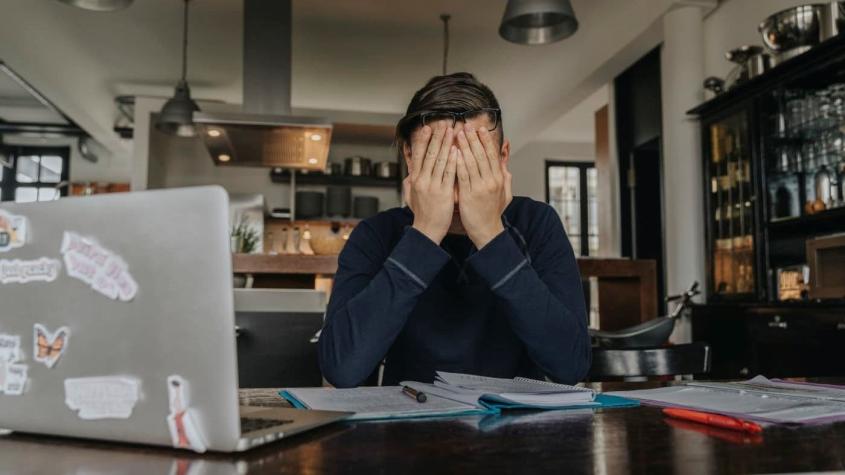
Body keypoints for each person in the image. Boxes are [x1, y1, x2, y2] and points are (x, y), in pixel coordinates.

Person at [318, 72, 591, 388]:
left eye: (476, 162)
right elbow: (341, 369)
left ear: (502, 157)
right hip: (406, 427)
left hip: (517, 428)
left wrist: (490, 234)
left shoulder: (537, 223)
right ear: (410, 157)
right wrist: (423, 234)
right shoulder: (376, 235)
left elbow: (571, 366)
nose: (458, 186)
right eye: (438, 163)